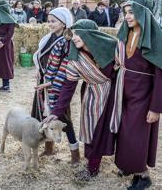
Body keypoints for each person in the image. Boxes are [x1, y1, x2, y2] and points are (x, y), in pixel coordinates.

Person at [44, 19, 117, 180]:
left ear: (90, 35)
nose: (74, 37)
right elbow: (68, 87)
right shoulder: (75, 58)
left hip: (115, 94)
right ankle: (92, 166)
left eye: (79, 34)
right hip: (94, 95)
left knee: (116, 128)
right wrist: (56, 112)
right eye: (74, 33)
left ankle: (124, 163)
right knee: (93, 129)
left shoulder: (110, 49)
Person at [111, 0, 162, 190]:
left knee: (137, 134)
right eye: (125, 13)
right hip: (124, 91)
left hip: (144, 96)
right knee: (124, 131)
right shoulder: (127, 33)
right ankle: (128, 165)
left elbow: (160, 75)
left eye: (132, 12)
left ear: (143, 13)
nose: (128, 17)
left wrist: (156, 107)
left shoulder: (156, 38)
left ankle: (143, 175)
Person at [32, 7, 80, 164]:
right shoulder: (48, 38)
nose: (49, 24)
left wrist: (50, 82)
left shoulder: (67, 42)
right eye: (49, 21)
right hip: (44, 84)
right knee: (45, 116)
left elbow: (66, 68)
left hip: (57, 86)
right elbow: (40, 57)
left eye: (53, 21)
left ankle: (75, 155)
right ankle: (49, 148)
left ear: (64, 22)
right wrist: (39, 70)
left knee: (64, 120)